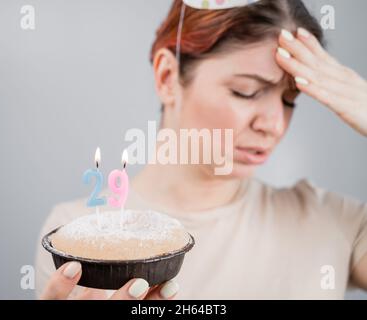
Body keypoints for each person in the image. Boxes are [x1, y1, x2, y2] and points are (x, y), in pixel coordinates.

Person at [36, 0, 367, 300]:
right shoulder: (74, 240)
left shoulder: (335, 223)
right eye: (246, 92)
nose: (274, 124)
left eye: (288, 100)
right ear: (167, 77)